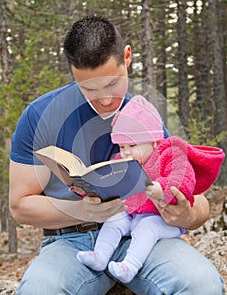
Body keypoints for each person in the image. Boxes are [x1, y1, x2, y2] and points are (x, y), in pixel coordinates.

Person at [9, 15, 225, 295]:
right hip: (71, 243)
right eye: (89, 89)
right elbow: (20, 206)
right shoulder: (39, 116)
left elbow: (195, 199)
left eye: (112, 83)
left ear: (127, 56)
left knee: (201, 287)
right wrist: (84, 211)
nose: (106, 99)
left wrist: (186, 215)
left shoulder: (144, 116)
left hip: (141, 235)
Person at [76, 95, 225, 283]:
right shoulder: (124, 160)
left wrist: (160, 189)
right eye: (122, 146)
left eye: (132, 146)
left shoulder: (170, 153)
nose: (126, 152)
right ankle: (100, 255)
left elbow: (184, 181)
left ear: (153, 142)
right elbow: (110, 180)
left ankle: (129, 266)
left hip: (162, 220)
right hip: (133, 214)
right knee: (115, 220)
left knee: (146, 228)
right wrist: (90, 186)